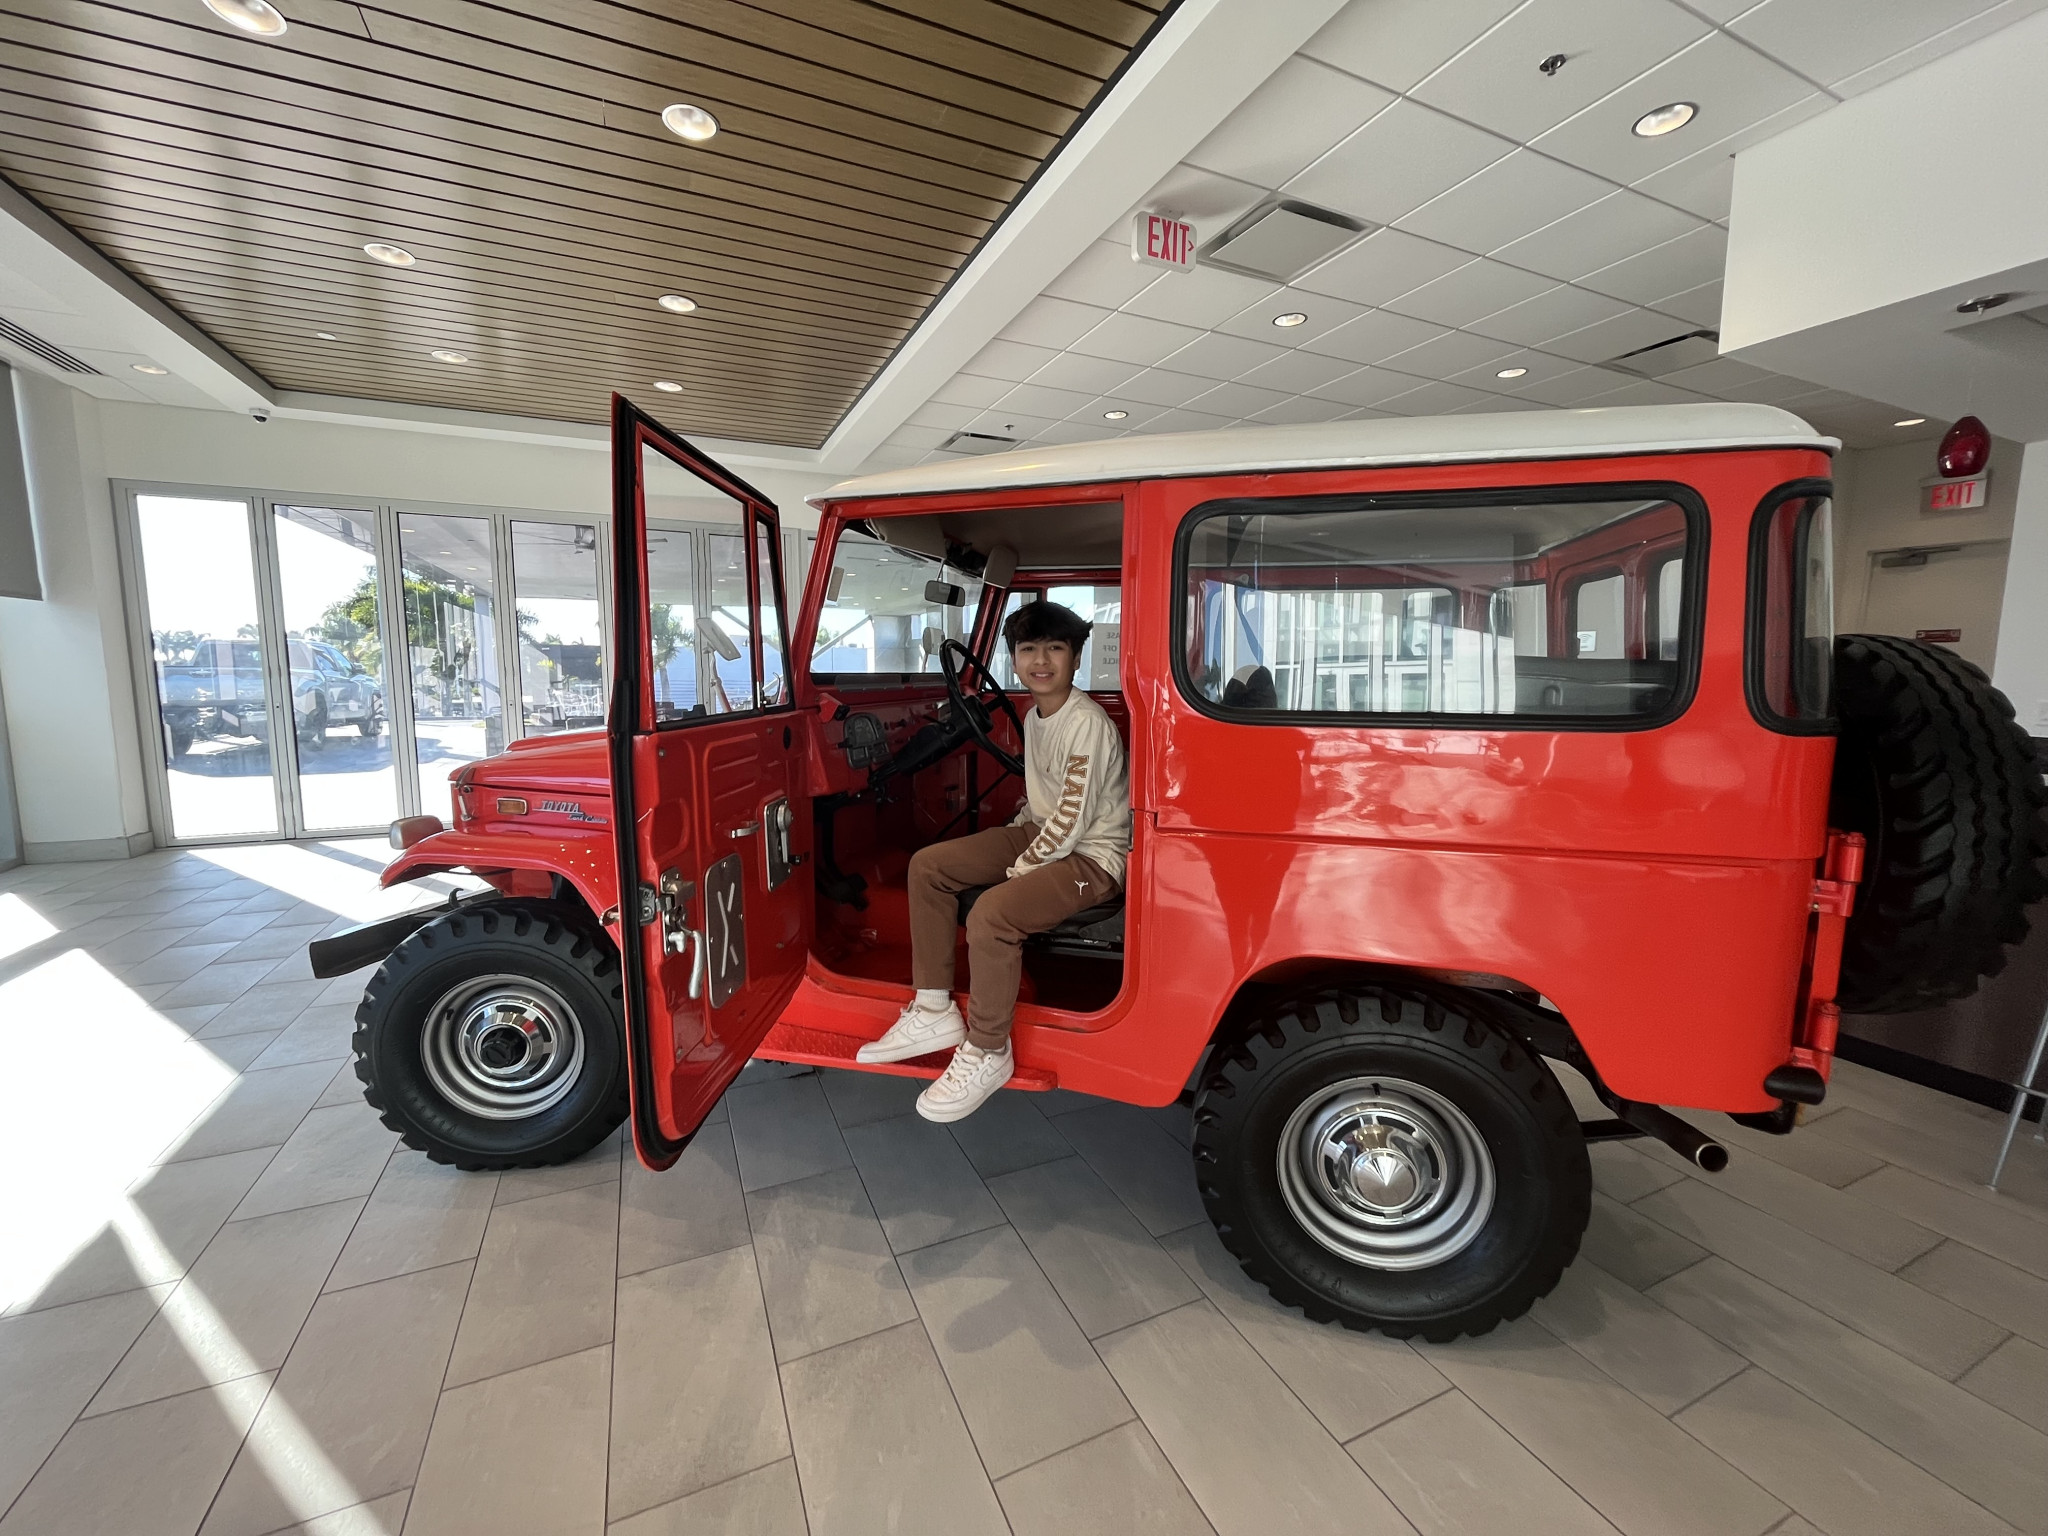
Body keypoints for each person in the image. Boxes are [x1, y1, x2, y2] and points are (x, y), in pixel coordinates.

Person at [856, 599, 1131, 1122]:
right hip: (1043, 833)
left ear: (1075, 658)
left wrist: (1017, 870)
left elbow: (1072, 819)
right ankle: (932, 1007)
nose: (1041, 660)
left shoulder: (1087, 723)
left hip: (1093, 857)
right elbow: (1045, 803)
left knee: (993, 914)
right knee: (928, 867)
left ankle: (988, 1049)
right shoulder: (1035, 715)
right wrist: (1013, 840)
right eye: (1028, 649)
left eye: (1055, 648)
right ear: (1015, 658)